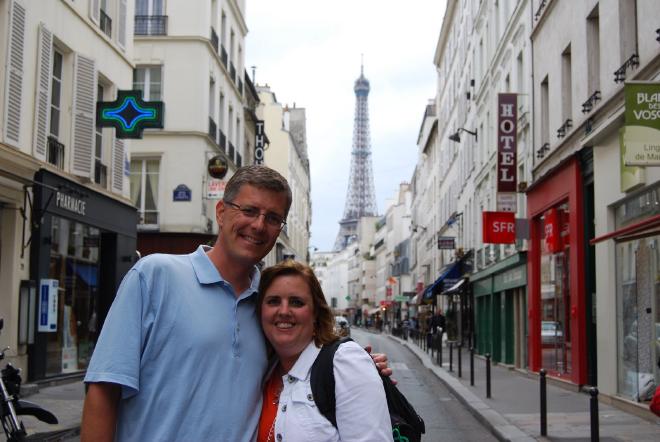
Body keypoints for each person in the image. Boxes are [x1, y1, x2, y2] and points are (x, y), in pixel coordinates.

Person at [81, 166, 391, 441]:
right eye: (249, 210)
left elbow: (303, 363)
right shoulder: (154, 276)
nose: (259, 225)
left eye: (273, 218)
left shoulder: (267, 308)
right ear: (220, 212)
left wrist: (355, 369)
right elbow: (104, 388)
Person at [256, 260, 392, 442]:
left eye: (296, 302)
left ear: (316, 314)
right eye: (273, 301)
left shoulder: (345, 363)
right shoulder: (260, 369)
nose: (284, 311)